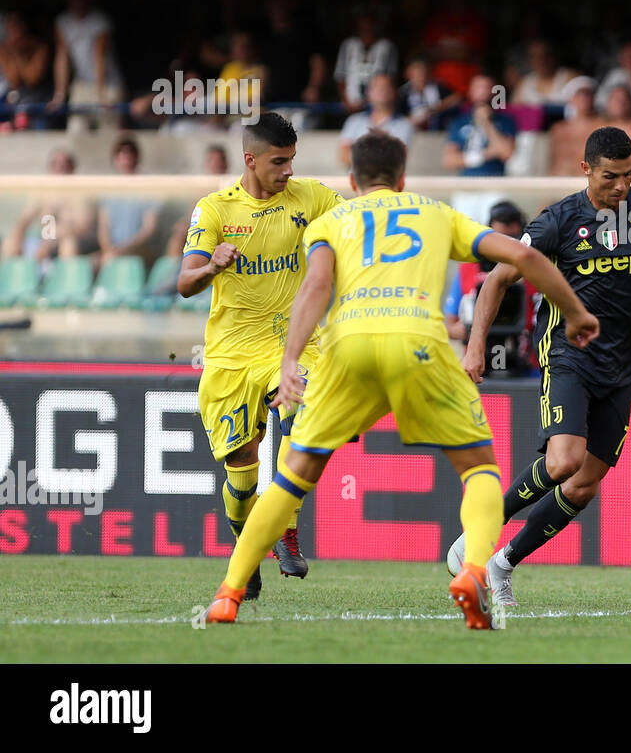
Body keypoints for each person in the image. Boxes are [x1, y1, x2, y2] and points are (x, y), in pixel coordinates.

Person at [204, 132, 599, 628]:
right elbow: (524, 258)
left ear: (352, 180)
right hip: (419, 345)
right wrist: (575, 312)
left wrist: (288, 360)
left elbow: (316, 285)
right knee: (479, 470)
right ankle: (474, 571)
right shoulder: (434, 213)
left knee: (290, 477)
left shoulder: (329, 221)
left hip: (349, 351)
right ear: (404, 175)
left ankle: (228, 593)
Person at [444, 126, 631, 606]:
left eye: (629, 175)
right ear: (585, 168)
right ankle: (483, 529)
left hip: (625, 365)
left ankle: (503, 564)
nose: (622, 186)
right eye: (612, 176)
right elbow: (497, 279)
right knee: (564, 460)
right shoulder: (558, 221)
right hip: (569, 356)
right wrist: (475, 345)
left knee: (584, 484)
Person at [179, 112, 346, 600]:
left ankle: (287, 533)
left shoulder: (311, 197)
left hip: (291, 347)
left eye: (292, 160)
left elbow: (357, 222)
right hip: (231, 357)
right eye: (279, 161)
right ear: (250, 160)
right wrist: (212, 265)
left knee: (303, 412)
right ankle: (245, 552)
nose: (289, 171)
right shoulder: (213, 210)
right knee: (242, 467)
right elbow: (185, 283)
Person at [444, 202, 541, 381]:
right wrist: (462, 329)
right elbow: (449, 324)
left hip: (526, 362)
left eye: (513, 239)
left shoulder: (536, 271)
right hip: (477, 364)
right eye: (500, 239)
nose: (505, 249)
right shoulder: (468, 270)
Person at [50, 0, 127, 132]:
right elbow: (62, 57)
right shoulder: (63, 21)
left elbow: (99, 56)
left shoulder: (100, 20)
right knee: (76, 129)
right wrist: (59, 94)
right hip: (82, 83)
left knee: (108, 131)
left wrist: (101, 94)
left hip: (108, 84)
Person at [97, 137, 161, 265]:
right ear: (115, 159)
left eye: (129, 153)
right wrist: (109, 250)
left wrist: (123, 249)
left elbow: (149, 228)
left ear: (137, 157)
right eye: (121, 153)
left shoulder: (150, 187)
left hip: (140, 251)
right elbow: (103, 227)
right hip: (113, 252)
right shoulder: (107, 189)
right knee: (87, 265)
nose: (125, 158)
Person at [443, 74, 518, 177]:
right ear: (471, 91)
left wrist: (486, 123)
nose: (483, 92)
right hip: (466, 182)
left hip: (495, 181)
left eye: (487, 88)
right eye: (478, 87)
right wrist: (485, 154)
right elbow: (449, 161)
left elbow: (507, 153)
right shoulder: (459, 122)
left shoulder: (505, 121)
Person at [338, 73, 413, 168]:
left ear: (394, 92)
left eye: (386, 86)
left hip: (388, 181)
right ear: (368, 93)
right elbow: (343, 156)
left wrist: (361, 156)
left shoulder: (404, 124)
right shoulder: (354, 121)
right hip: (357, 180)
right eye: (376, 87)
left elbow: (398, 158)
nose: (381, 90)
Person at [547, 77, 602, 175]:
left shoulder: (603, 127)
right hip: (559, 181)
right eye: (579, 94)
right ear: (571, 99)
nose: (584, 98)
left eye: (588, 94)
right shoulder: (558, 129)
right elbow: (550, 159)